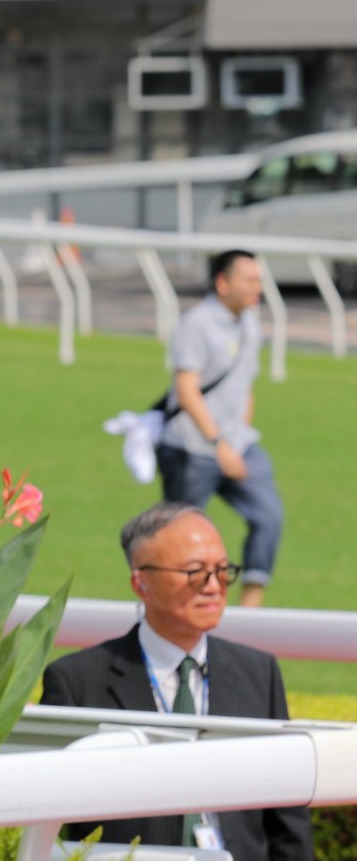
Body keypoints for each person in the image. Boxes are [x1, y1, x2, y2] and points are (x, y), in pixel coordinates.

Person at [39, 503, 317, 861]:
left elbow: (288, 829)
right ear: (141, 583)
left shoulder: (258, 673)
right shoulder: (80, 682)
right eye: (195, 573)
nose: (213, 585)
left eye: (222, 571)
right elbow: (61, 828)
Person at [157, 250, 282, 607]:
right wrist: (218, 442)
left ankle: (249, 615)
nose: (257, 287)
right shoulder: (196, 324)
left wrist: (237, 435)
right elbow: (186, 389)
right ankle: (173, 612)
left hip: (238, 444)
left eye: (259, 279)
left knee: (269, 516)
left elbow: (245, 386)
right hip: (191, 449)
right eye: (250, 279)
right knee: (180, 538)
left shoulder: (249, 324)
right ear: (223, 282)